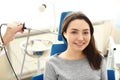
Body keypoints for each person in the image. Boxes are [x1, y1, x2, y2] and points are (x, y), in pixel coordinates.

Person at [44, 11, 107, 80]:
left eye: (85, 32)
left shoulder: (98, 59)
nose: (80, 38)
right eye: (74, 32)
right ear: (65, 33)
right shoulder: (51, 64)